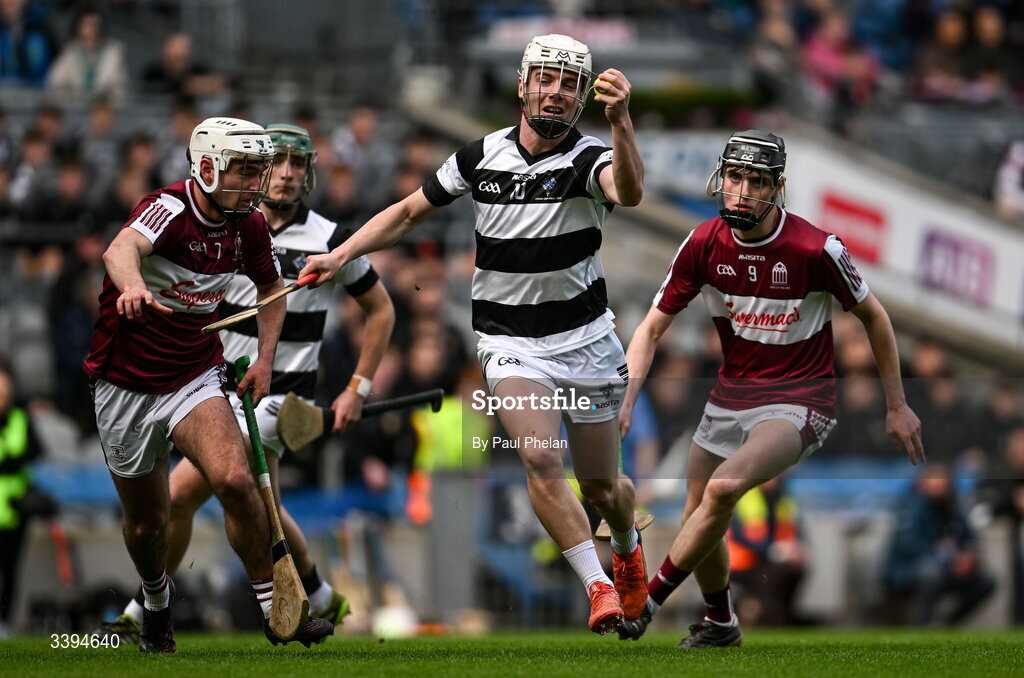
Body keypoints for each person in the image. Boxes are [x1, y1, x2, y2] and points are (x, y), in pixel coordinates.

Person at [300, 33, 647, 634]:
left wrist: (622, 123)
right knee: (539, 454)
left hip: (587, 342)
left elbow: (632, 191)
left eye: (570, 83)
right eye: (546, 78)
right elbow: (408, 213)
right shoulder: (480, 156)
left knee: (602, 486)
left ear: (582, 95)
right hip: (510, 342)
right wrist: (341, 255)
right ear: (522, 84)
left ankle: (625, 545)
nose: (557, 92)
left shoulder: (591, 158)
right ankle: (599, 586)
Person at [616, 130, 924, 647]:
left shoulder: (815, 247)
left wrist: (897, 404)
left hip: (803, 400)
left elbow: (876, 318)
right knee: (700, 512)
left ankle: (646, 602)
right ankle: (720, 622)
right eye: (734, 177)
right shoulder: (702, 243)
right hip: (731, 396)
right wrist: (627, 397)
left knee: (722, 489)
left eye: (756, 181)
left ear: (777, 187)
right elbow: (648, 330)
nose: (741, 191)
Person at [94, 123, 395, 642]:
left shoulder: (276, 228)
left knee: (232, 482)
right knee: (154, 520)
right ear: (207, 167)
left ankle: (279, 613)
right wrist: (135, 285)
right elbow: (119, 251)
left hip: (216, 381)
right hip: (128, 384)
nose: (267, 180)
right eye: (252, 169)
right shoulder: (168, 208)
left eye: (279, 166)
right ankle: (158, 602)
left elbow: (277, 290)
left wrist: (277, 362)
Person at [883, 463, 995, 626]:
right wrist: (950, 561)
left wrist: (970, 556)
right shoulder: (913, 505)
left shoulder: (950, 507)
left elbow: (968, 537)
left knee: (987, 582)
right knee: (930, 572)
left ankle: (948, 625)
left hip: (947, 567)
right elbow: (908, 545)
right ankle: (922, 626)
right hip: (907, 570)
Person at [726, 476, 806, 627]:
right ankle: (767, 620)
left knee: (794, 571)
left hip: (769, 561)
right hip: (743, 564)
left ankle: (782, 617)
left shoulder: (783, 499)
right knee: (772, 577)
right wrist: (773, 550)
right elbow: (738, 535)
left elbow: (796, 529)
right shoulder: (745, 497)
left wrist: (797, 549)